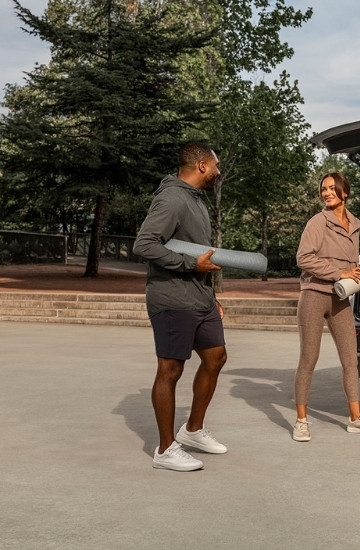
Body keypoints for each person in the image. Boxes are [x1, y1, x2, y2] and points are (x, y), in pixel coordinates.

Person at [133, 142, 228, 471]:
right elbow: (144, 244)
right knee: (170, 370)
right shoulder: (172, 198)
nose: (218, 171)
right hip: (172, 298)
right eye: (215, 165)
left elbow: (199, 254)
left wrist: (211, 296)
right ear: (202, 165)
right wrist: (190, 265)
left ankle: (193, 430)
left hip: (199, 297)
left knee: (216, 357)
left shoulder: (195, 199)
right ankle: (165, 449)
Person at [292, 172, 360, 442]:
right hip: (314, 295)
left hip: (340, 298)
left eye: (332, 188)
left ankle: (355, 418)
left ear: (345, 192)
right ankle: (301, 421)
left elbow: (349, 264)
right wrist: (339, 273)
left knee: (350, 361)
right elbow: (303, 258)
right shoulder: (317, 222)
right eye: (324, 189)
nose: (327, 192)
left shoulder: (354, 224)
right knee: (309, 359)